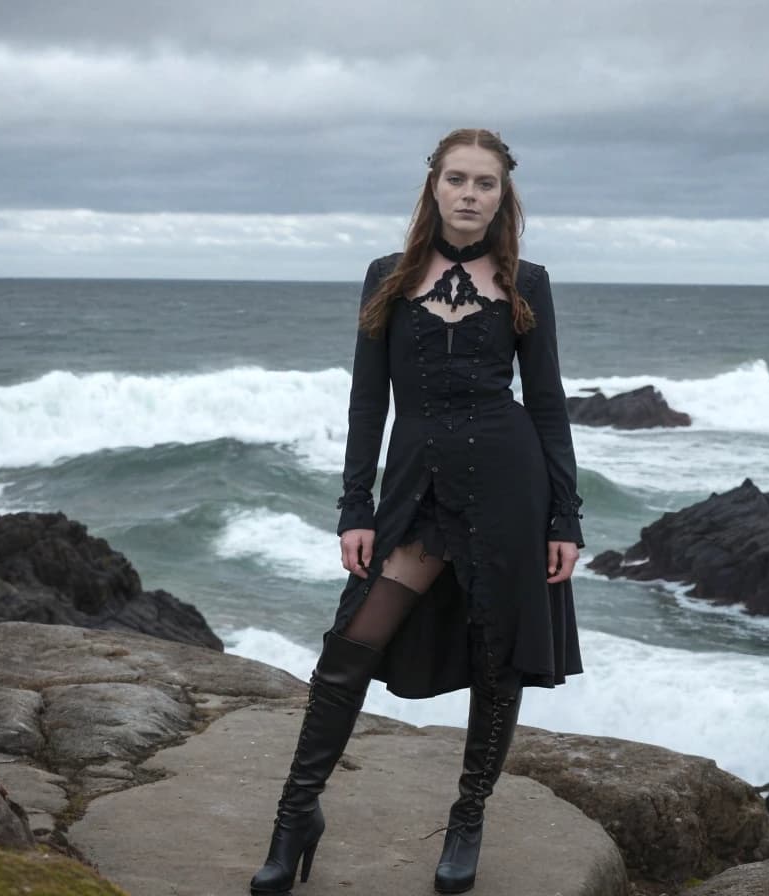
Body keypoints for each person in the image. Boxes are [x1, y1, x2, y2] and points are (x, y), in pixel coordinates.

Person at [250, 127, 584, 895]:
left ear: (504, 196)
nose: (470, 194)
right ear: (433, 186)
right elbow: (368, 402)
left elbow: (548, 404)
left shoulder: (527, 280)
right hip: (416, 492)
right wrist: (354, 509)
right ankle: (295, 815)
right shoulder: (386, 277)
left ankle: (467, 820)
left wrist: (565, 518)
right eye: (457, 179)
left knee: (500, 661)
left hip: (509, 488)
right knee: (351, 649)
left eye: (485, 183)